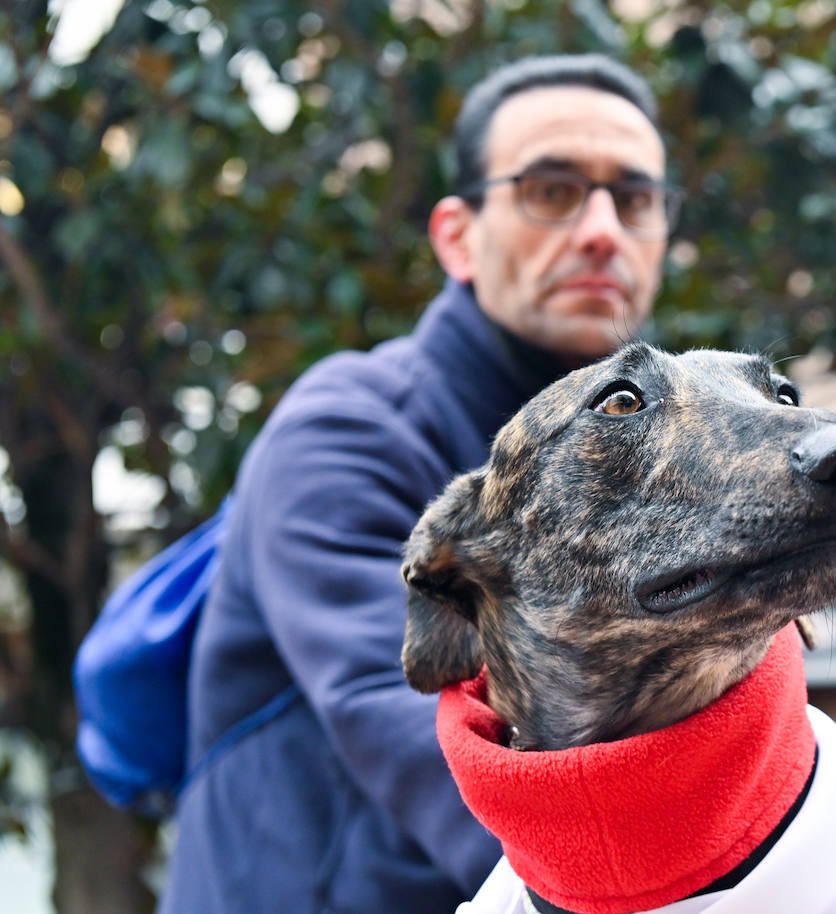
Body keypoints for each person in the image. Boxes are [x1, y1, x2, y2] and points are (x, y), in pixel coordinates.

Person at [157, 53, 680, 914]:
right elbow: (405, 719)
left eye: (635, 199)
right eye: (551, 190)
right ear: (456, 235)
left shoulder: (660, 454)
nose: (601, 230)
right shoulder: (345, 430)